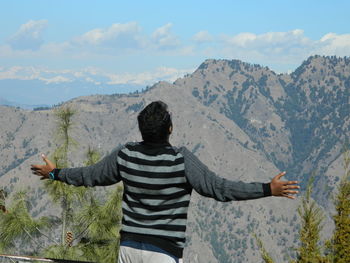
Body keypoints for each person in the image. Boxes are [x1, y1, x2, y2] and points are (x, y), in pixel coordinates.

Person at [31, 101, 299, 263]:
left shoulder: (126, 154)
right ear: (169, 129)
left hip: (128, 250)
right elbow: (220, 189)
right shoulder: (181, 160)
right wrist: (267, 189)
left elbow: (90, 175)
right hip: (163, 252)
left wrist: (55, 173)